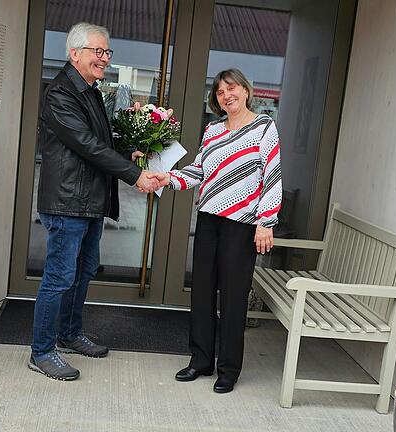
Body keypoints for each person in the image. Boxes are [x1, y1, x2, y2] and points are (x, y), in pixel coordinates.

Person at [30, 22, 159, 381]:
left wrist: (127, 152)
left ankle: (69, 335)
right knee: (58, 278)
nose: (104, 58)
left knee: (83, 272)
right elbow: (86, 144)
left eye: (107, 52)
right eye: (98, 52)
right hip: (67, 203)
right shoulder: (60, 93)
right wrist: (134, 176)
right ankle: (41, 351)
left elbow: (101, 140)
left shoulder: (91, 91)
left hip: (89, 202)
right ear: (74, 53)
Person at [152, 68, 282, 393]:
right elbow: (199, 170)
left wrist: (266, 221)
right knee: (203, 292)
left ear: (246, 90)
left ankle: (228, 369)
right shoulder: (212, 130)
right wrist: (169, 178)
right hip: (209, 219)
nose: (227, 95)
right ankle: (200, 360)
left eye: (232, 87)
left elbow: (273, 174)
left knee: (234, 297)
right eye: (221, 92)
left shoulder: (264, 126)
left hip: (243, 224)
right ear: (217, 99)